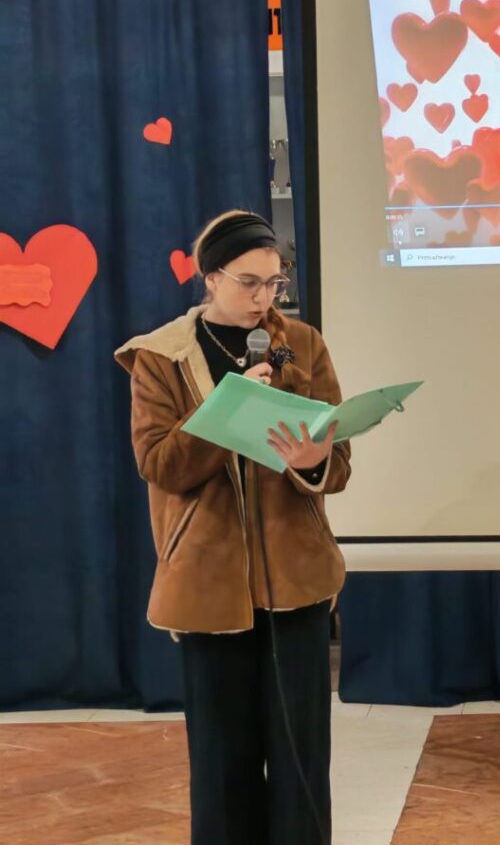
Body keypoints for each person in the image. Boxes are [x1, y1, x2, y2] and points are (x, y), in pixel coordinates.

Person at [115, 209, 351, 845]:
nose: (263, 298)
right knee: (223, 770)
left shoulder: (302, 344)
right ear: (211, 277)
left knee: (303, 766)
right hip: (207, 587)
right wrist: (228, 411)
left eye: (274, 283)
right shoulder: (160, 356)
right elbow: (158, 464)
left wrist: (315, 459)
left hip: (297, 582)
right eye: (249, 282)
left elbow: (339, 464)